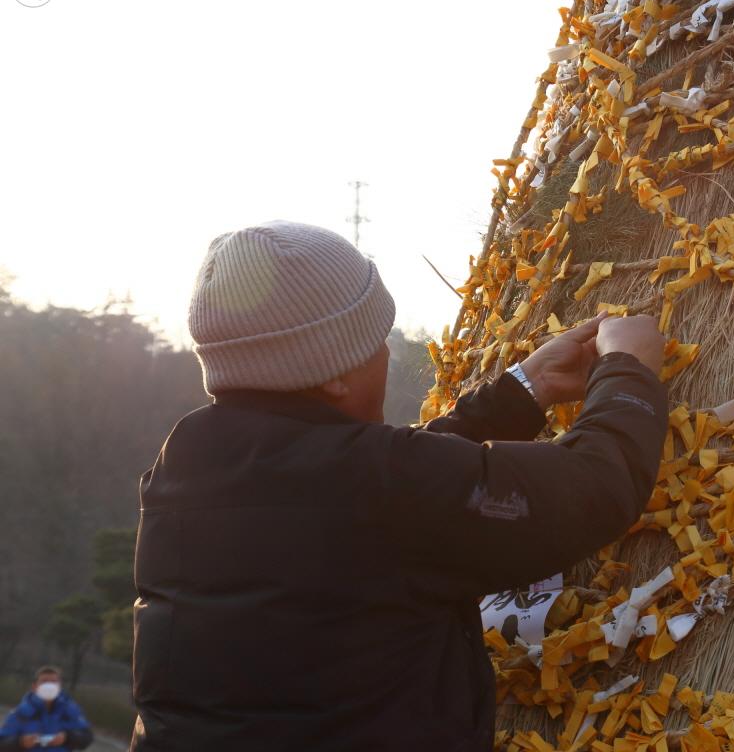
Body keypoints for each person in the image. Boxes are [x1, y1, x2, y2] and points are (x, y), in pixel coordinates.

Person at [131, 221, 669, 750]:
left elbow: (386, 488)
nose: (387, 354)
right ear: (334, 370)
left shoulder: (187, 464)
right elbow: (593, 489)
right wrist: (627, 370)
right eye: (376, 340)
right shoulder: (378, 488)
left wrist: (525, 391)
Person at [0, 666, 93, 750]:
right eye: (44, 681)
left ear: (60, 686)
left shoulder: (71, 711)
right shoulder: (20, 713)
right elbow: (2, 743)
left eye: (53, 682)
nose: (49, 685)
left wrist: (68, 737)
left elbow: (87, 738)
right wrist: (21, 742)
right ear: (34, 686)